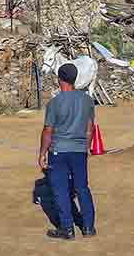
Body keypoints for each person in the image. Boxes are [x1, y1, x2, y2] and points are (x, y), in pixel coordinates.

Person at [38, 62, 97, 241]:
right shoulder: (87, 100)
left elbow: (48, 130)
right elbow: (90, 128)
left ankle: (67, 228)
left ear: (59, 79)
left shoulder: (55, 103)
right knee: (82, 188)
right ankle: (88, 226)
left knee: (61, 190)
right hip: (79, 150)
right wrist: (86, 147)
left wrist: (42, 153)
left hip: (59, 151)